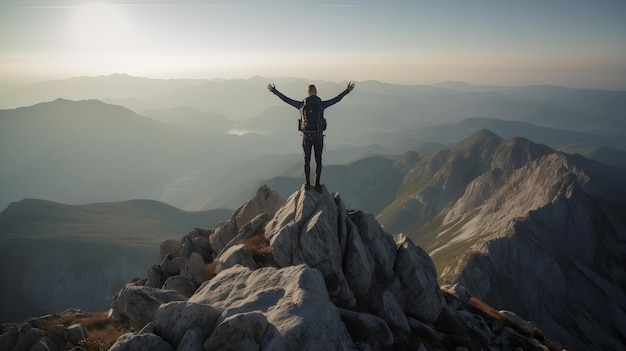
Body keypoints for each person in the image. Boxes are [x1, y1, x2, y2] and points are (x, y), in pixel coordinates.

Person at [268, 81, 355, 192]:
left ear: (307, 93)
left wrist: (275, 91)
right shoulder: (321, 104)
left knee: (306, 161)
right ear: (316, 92)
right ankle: (317, 184)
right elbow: (336, 99)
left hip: (306, 137)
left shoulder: (301, 105)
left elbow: (286, 99)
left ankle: (307, 184)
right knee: (318, 161)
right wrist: (347, 90)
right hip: (318, 137)